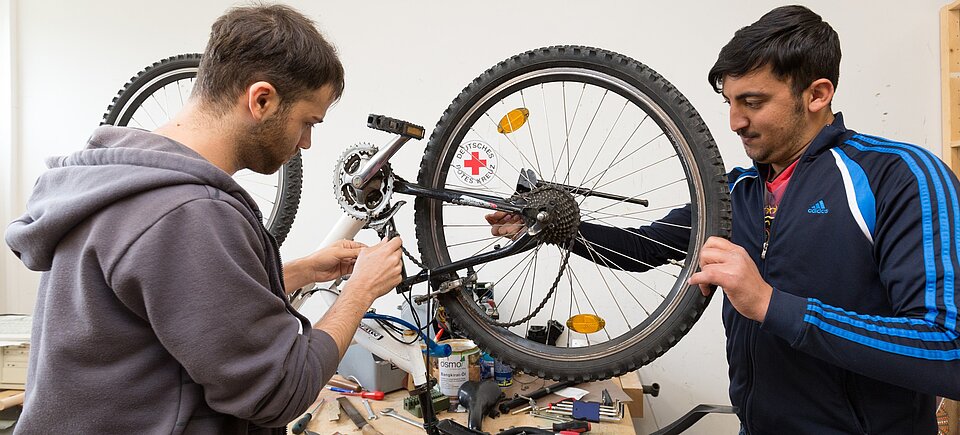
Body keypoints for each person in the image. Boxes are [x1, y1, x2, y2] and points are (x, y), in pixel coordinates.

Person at [488, 5, 960, 433]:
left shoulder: (900, 176)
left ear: (817, 95)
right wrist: (550, 225)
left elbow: (949, 351)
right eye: (729, 102)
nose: (734, 122)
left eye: (752, 102)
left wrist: (771, 304)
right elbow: (642, 249)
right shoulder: (736, 191)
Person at [4, 4, 404, 434]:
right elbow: (279, 391)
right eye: (308, 121)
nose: (306, 142)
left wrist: (300, 271)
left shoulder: (120, 180)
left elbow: (176, 306)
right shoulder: (189, 213)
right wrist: (360, 291)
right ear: (262, 100)